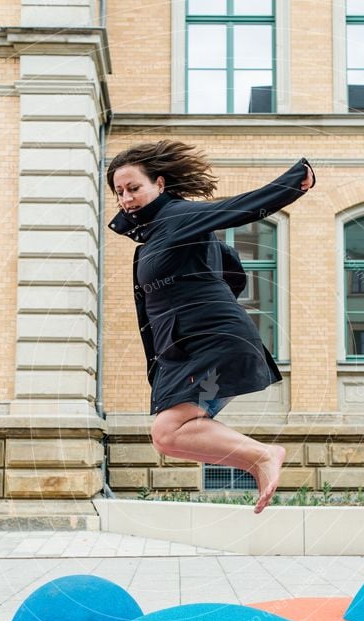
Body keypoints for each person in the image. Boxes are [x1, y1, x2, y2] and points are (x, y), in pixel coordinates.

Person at [107, 140, 315, 513]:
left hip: (210, 341)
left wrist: (293, 181)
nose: (126, 198)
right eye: (119, 191)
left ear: (160, 184)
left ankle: (264, 455)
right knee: (169, 439)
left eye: (134, 188)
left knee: (167, 431)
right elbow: (233, 274)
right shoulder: (159, 235)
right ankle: (258, 460)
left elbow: (234, 210)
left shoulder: (177, 216)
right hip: (185, 347)